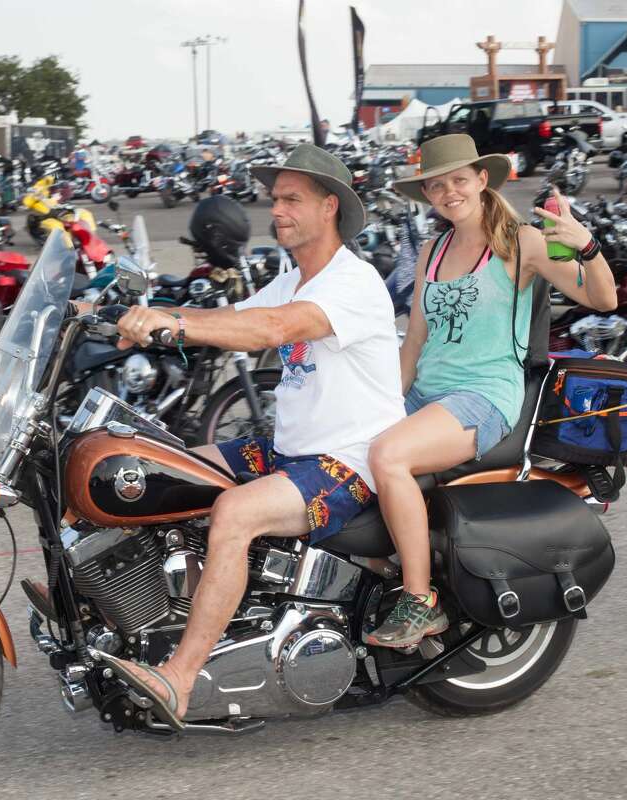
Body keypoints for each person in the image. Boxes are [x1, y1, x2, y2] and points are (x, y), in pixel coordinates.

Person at [88, 144, 405, 727]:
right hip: (289, 445)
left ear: (329, 207)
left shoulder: (352, 283)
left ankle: (179, 679)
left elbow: (272, 329)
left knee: (234, 512)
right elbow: (234, 320)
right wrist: (129, 316)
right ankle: (133, 617)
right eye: (275, 198)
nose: (276, 210)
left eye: (291, 199)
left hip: (348, 458)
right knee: (156, 466)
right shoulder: (293, 278)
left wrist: (173, 321)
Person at [363, 133, 619, 647]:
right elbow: (415, 339)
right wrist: (382, 403)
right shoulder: (432, 250)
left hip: (484, 397)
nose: (448, 192)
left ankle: (420, 603)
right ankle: (373, 577)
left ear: (482, 180)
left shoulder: (520, 241)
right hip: (427, 394)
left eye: (459, 180)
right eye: (437, 185)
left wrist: (584, 243)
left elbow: (603, 297)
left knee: (388, 456)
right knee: (344, 451)